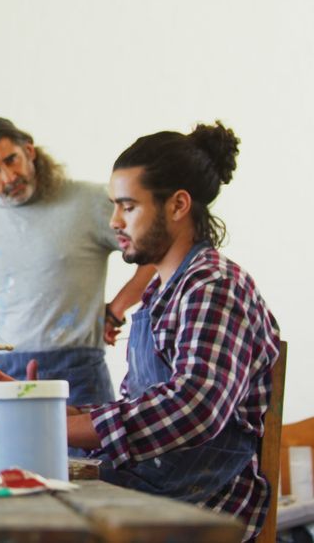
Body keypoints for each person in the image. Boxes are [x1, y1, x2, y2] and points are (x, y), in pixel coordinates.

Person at [61, 121, 279, 541]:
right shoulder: (161, 292)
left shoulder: (213, 285)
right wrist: (57, 413)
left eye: (128, 207)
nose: (115, 221)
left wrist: (65, 429)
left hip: (207, 507)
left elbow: (195, 404)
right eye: (114, 206)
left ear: (178, 205)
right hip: (158, 487)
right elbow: (144, 403)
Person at [0, 116, 154, 407]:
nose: (8, 177)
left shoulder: (90, 201)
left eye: (11, 160)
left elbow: (153, 252)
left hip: (80, 371)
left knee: (90, 441)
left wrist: (117, 309)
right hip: (6, 370)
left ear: (29, 151)